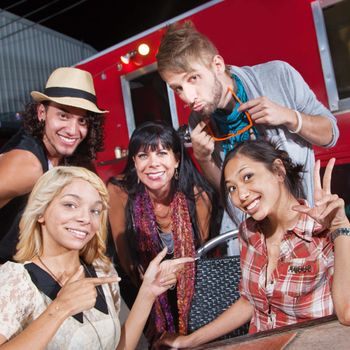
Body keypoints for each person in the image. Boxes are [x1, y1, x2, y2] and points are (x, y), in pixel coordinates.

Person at [158, 139, 350, 348]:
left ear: (278, 171)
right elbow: (250, 302)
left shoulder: (325, 232)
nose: (241, 195)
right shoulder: (249, 232)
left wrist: (340, 227)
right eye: (231, 188)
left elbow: (346, 313)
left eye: (247, 177)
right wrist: (188, 341)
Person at [156, 21, 339, 220]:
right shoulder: (198, 121)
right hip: (255, 236)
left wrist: (289, 117)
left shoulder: (277, 76)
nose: (189, 97)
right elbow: (226, 192)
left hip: (305, 220)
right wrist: (204, 159)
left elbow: (331, 135)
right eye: (178, 88)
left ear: (217, 65)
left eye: (193, 78)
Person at [0, 166, 193, 349]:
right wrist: (59, 309)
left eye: (95, 210)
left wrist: (148, 292)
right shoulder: (15, 280)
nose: (85, 219)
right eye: (70, 205)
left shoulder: (102, 272)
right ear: (41, 212)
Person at [107, 121, 219, 344]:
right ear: (134, 163)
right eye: (143, 156)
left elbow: (200, 257)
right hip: (140, 284)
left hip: (190, 285)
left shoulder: (198, 197)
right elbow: (126, 258)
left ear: (176, 159)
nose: (153, 164)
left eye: (161, 153)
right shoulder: (119, 191)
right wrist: (150, 301)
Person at [0, 67, 106, 263]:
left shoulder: (70, 159)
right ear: (42, 113)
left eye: (82, 120)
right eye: (63, 116)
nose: (73, 130)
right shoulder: (28, 164)